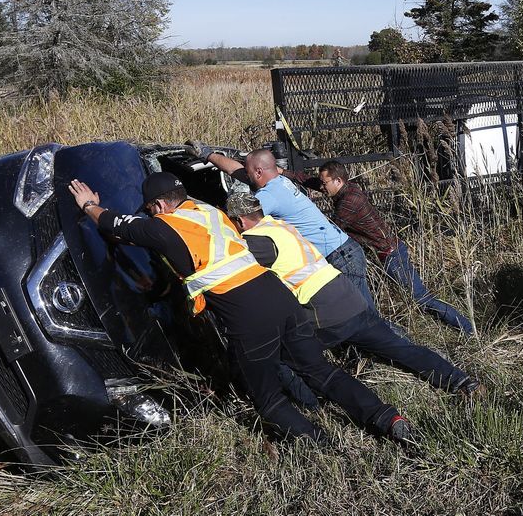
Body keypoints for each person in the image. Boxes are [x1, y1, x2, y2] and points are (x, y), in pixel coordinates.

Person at [67, 171, 413, 444]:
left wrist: (88, 205)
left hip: (247, 313)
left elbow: (114, 223)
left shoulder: (164, 226)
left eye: (149, 209)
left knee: (267, 399)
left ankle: (320, 447)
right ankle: (386, 418)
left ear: (158, 206)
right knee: (321, 372)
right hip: (280, 298)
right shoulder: (209, 212)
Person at [225, 191, 483, 397]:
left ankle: (310, 408)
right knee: (400, 347)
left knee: (287, 357)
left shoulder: (255, 240)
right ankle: (460, 380)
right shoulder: (279, 226)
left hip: (323, 311)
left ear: (239, 220)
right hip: (349, 296)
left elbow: (228, 267)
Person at [189, 144, 378, 314]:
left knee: (365, 317)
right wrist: (208, 155)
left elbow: (241, 220)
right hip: (344, 251)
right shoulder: (279, 182)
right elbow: (239, 171)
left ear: (258, 172)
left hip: (340, 256)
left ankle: (400, 348)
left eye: (249, 172)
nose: (245, 175)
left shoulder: (269, 195)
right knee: (356, 316)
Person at [292, 159, 474, 334]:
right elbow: (315, 182)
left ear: (338, 181)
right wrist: (284, 172)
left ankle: (466, 328)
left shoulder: (349, 202)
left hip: (391, 255)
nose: (322, 188)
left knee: (421, 299)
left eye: (325, 184)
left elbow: (331, 231)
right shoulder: (347, 190)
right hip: (382, 255)